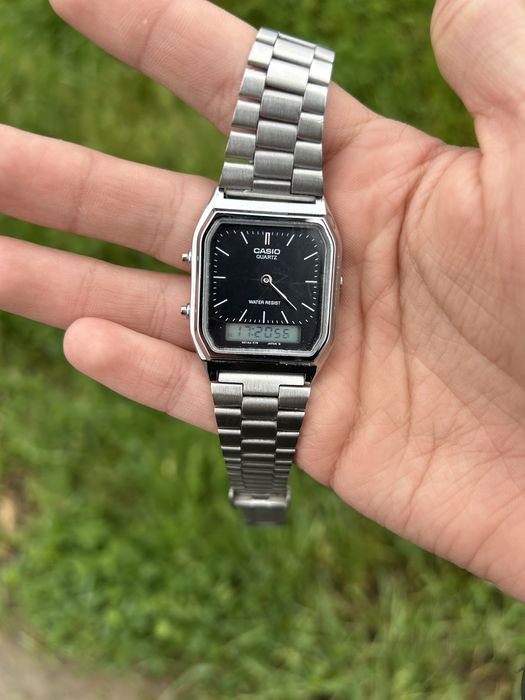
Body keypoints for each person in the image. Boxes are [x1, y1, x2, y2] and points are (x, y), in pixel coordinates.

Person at [1, 0, 524, 601]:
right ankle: (259, 498)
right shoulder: (245, 238)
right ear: (200, 257)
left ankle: (259, 499)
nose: (270, 282)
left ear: (331, 270)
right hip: (257, 346)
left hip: (281, 350)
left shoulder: (299, 239)